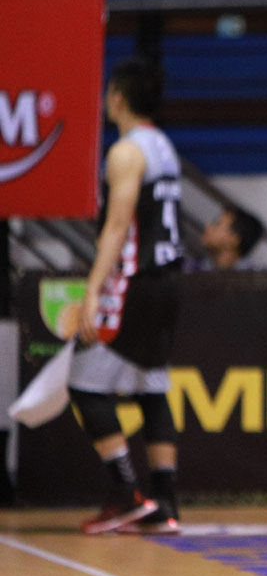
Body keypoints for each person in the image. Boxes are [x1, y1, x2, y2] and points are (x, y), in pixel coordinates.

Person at [67, 57, 184, 535]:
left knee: (84, 385)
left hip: (137, 281)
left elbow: (117, 226)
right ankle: (165, 502)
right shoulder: (163, 147)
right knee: (150, 388)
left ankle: (126, 494)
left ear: (117, 98)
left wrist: (93, 289)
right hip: (168, 280)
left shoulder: (126, 152)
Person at [195, 205, 262, 270]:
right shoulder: (196, 267)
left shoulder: (252, 275)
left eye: (217, 224)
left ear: (234, 239)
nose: (208, 226)